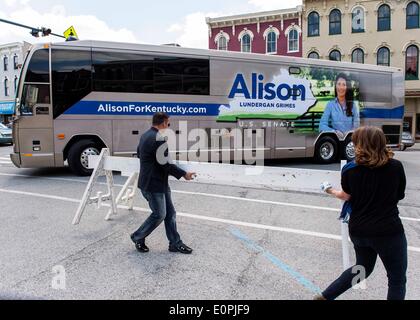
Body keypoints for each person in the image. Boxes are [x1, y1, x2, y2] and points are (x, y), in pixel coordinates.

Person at [315, 126, 408, 300]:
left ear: (359, 144)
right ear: (381, 143)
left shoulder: (350, 169)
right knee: (396, 279)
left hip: (359, 229)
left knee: (362, 268)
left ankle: (325, 296)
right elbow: (399, 195)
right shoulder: (395, 167)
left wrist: (330, 191)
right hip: (388, 231)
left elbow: (347, 196)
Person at [130, 112, 196, 254]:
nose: (168, 126)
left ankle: (175, 243)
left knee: (170, 213)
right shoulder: (158, 138)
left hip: (158, 183)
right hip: (153, 185)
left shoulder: (145, 135)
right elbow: (165, 164)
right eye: (168, 123)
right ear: (164, 122)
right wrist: (184, 174)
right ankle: (137, 236)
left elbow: (140, 154)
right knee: (159, 214)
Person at [319, 73, 360, 139]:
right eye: (339, 84)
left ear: (347, 88)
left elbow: (356, 127)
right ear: (335, 86)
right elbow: (321, 125)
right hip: (335, 142)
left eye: (344, 85)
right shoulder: (330, 105)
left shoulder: (353, 105)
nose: (341, 87)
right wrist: (335, 132)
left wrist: (348, 134)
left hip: (349, 142)